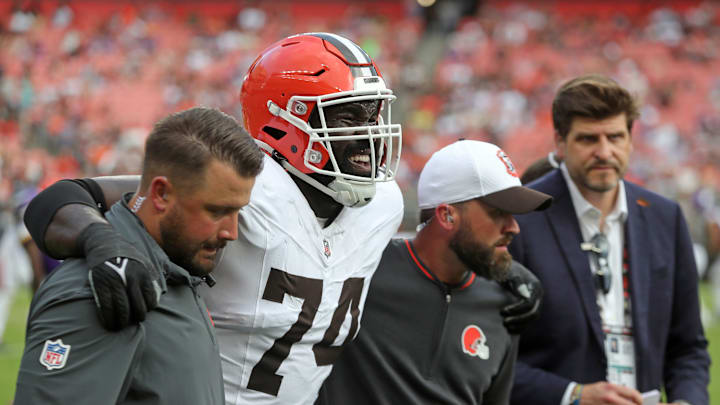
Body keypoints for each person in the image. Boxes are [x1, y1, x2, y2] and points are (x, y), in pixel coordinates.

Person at [22, 33, 541, 404]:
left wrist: (502, 271)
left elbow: (413, 251)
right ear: (282, 122)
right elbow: (64, 198)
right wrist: (105, 241)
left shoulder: (380, 206)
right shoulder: (246, 189)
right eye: (346, 117)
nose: (367, 135)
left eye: (371, 115)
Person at [14, 106, 264, 404]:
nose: (232, 232)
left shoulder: (177, 265)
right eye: (217, 211)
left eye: (237, 211)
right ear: (160, 194)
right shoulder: (98, 291)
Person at [508, 74, 710, 405]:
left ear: (631, 139)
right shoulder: (520, 217)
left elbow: (688, 347)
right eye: (589, 139)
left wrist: (686, 400)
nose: (605, 152)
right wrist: (573, 395)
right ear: (560, 142)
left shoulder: (665, 218)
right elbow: (489, 354)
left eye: (615, 137)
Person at [316, 140, 552, 404]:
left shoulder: (509, 303)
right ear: (447, 216)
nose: (513, 227)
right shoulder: (363, 267)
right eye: (498, 213)